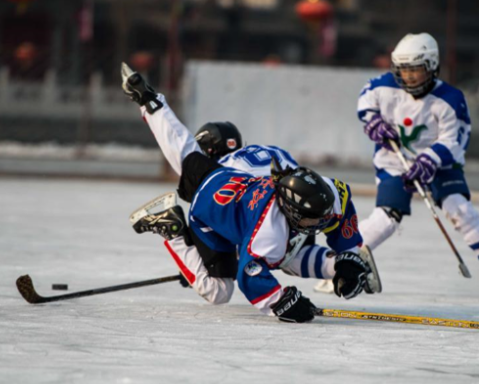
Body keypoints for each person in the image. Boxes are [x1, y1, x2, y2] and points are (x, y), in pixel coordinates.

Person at [121, 63, 379, 322]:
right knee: (285, 256)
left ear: (209, 150)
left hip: (272, 210)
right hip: (269, 208)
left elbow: (177, 141)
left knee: (222, 287)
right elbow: (254, 257)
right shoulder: (287, 163)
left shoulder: (214, 169)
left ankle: (182, 241)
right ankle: (174, 230)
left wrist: (148, 101)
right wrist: (349, 251)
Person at [355, 33, 479, 298]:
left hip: (440, 164)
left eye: (415, 70)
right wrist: (372, 121)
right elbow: (365, 100)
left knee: (458, 208)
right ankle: (343, 258)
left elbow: (455, 139)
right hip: (395, 162)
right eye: (403, 70)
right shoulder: (383, 86)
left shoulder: (451, 99)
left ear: (431, 66)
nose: (409, 77)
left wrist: (430, 159)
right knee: (387, 217)